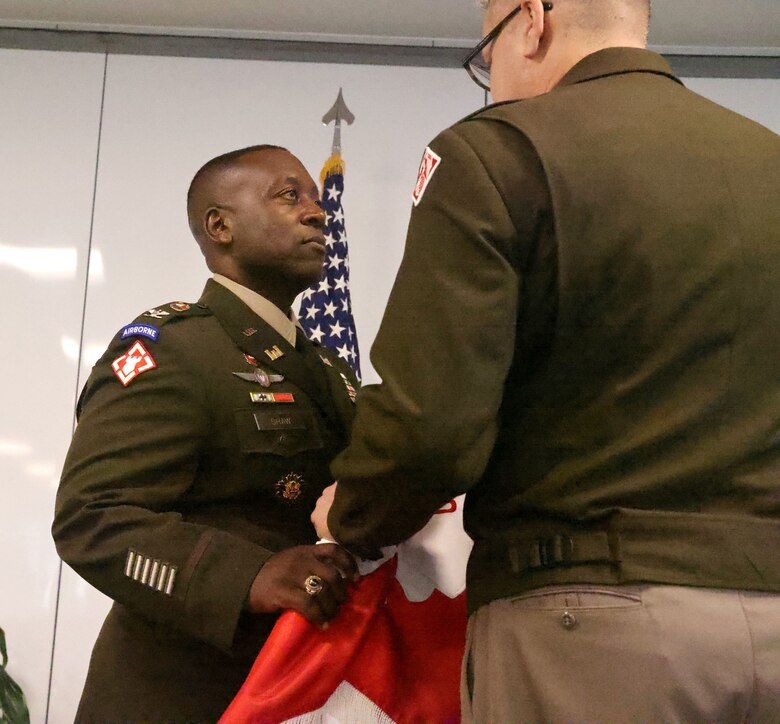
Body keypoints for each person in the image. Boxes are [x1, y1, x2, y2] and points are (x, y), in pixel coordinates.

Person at [312, 0, 780, 720]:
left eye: (486, 57)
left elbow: (432, 427)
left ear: (532, 20)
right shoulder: (767, 159)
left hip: (589, 622)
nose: (491, 81)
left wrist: (351, 516)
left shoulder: (497, 152)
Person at [53, 144, 359, 722]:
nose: (317, 212)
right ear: (220, 226)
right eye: (289, 195)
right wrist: (250, 575)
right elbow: (91, 518)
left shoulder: (331, 372)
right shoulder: (174, 347)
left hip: (298, 686)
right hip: (181, 691)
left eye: (316, 199)